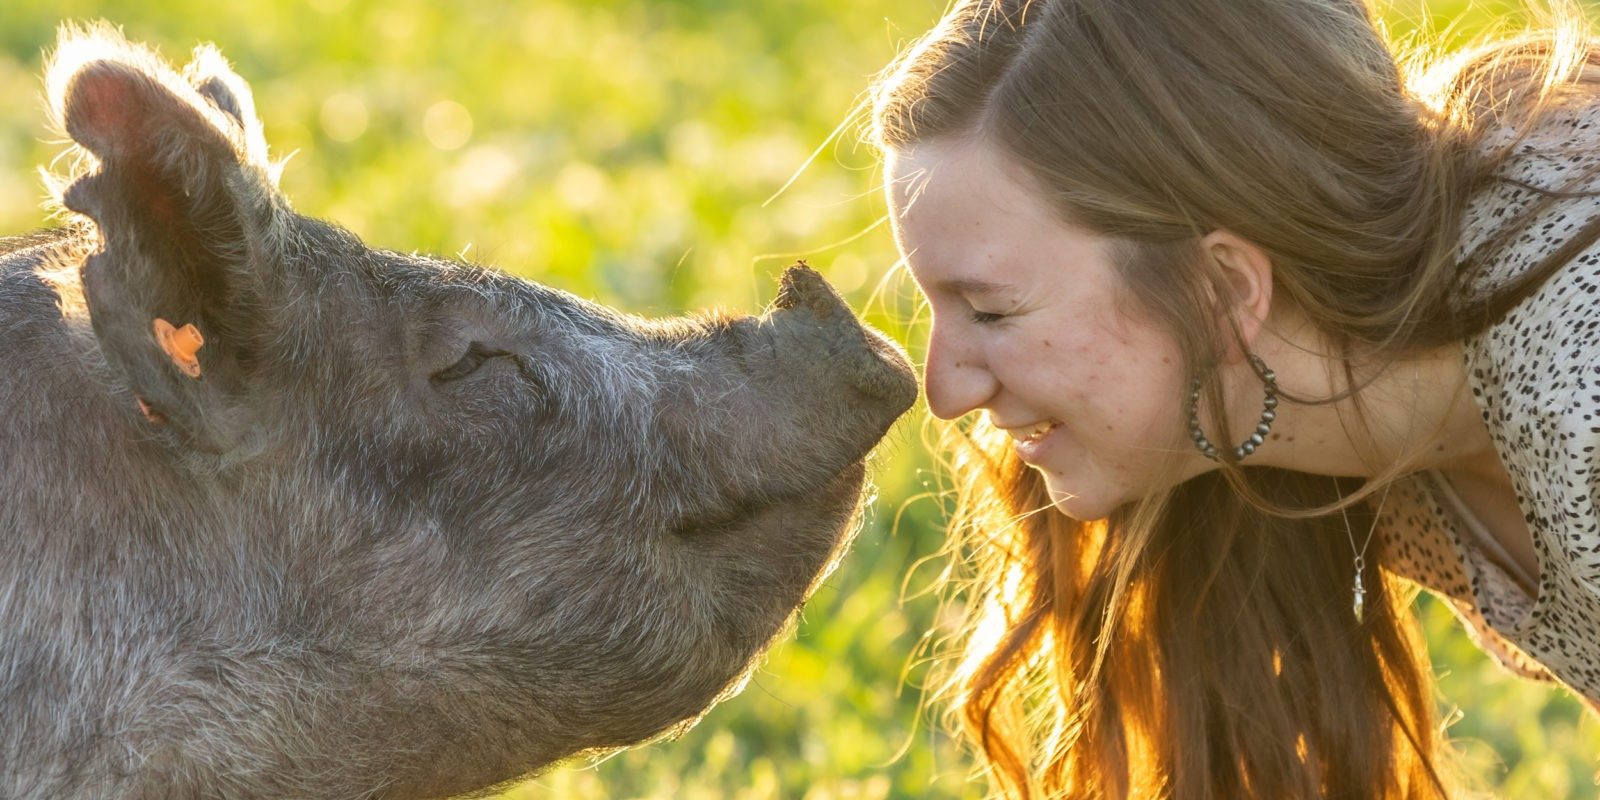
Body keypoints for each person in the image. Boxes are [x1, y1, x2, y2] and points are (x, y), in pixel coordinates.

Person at [867, 0, 1600, 796]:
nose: (943, 391)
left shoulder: (1578, 379)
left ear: (1221, 290)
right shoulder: (1312, 418)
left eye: (993, 311)